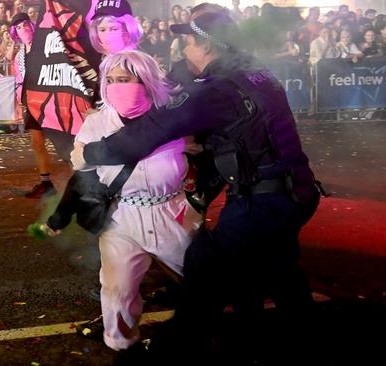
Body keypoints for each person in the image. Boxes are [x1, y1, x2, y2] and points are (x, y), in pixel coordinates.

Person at [71, 10, 321, 363]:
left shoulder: (215, 90)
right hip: (295, 192)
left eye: (187, 42)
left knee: (205, 268)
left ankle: (174, 350)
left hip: (261, 200)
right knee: (279, 270)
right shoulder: (256, 73)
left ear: (205, 44)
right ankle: (296, 339)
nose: (184, 52)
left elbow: (149, 132)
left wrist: (89, 154)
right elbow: (247, 131)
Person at [42, 50, 202, 352]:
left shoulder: (174, 118)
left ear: (146, 80)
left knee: (203, 282)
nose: (117, 86)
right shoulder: (96, 125)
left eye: (125, 80)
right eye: (111, 80)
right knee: (117, 292)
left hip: (173, 213)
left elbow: (204, 157)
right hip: (120, 219)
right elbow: (82, 178)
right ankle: (122, 347)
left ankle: (198, 337)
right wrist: (59, 218)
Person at [7, 12, 56, 199]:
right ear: (15, 33)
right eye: (19, 27)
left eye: (26, 25)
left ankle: (85, 180)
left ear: (32, 26)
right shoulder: (19, 57)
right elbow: (19, 80)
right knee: (37, 143)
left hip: (50, 101)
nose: (23, 29)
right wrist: (20, 102)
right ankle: (46, 184)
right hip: (31, 102)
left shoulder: (45, 47)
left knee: (64, 142)